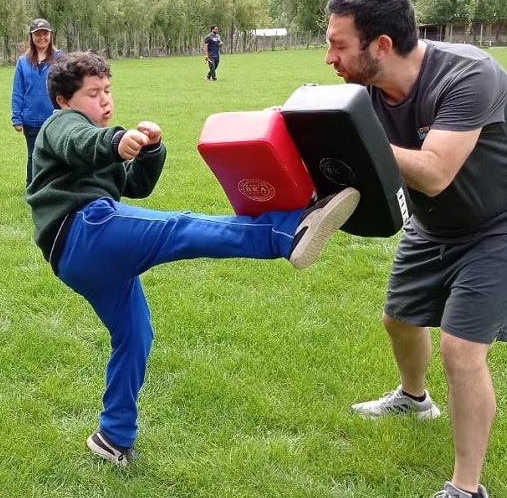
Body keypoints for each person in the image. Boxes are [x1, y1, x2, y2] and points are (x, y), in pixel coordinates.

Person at [25, 51, 360, 466]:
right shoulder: (60, 125)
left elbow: (135, 187)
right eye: (93, 94)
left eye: (108, 90)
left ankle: (112, 436)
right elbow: (79, 142)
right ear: (64, 101)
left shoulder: (96, 142)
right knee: (180, 229)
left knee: (135, 335)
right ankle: (287, 231)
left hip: (81, 260)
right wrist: (114, 141)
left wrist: (149, 151)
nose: (105, 101)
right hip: (82, 231)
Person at [325, 0, 505, 498]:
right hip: (433, 228)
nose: (328, 57)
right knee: (399, 319)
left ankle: (467, 493)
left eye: (339, 45)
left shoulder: (469, 74)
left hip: (497, 224)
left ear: (381, 45)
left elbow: (433, 173)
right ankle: (413, 399)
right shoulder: (366, 96)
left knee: (460, 347)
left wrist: (357, 135)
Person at [11, 18, 61, 186]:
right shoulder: (22, 62)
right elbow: (18, 91)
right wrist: (16, 117)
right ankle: (32, 187)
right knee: (33, 155)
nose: (42, 38)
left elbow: (67, 86)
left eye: (45, 34)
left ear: (50, 35)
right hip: (31, 118)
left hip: (54, 117)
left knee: (55, 154)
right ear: (31, 37)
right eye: (37, 34)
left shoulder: (60, 59)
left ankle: (54, 185)